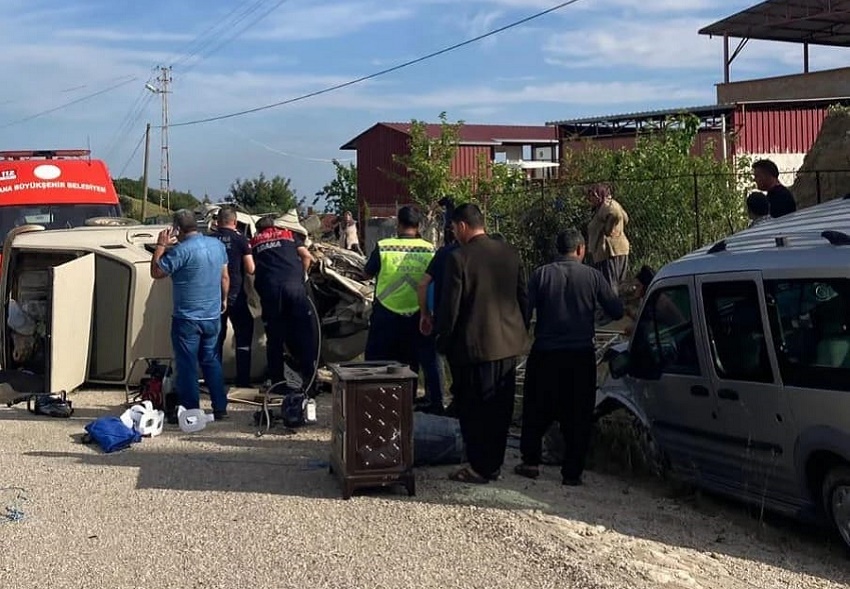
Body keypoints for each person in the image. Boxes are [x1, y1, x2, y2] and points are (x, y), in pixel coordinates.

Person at [515, 229, 624, 486]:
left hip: (545, 353)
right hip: (580, 355)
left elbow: (524, 311)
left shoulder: (541, 274)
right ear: (580, 250)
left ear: (558, 249)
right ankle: (572, 472)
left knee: (535, 408)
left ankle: (530, 461)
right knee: (578, 413)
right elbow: (616, 310)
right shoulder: (593, 276)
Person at [436, 203, 528, 485]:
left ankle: (478, 466)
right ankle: (494, 464)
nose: (453, 233)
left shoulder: (459, 259)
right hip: (508, 345)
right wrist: (519, 330)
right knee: (500, 409)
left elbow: (450, 308)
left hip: (474, 347)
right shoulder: (510, 254)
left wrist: (443, 340)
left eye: (453, 228)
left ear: (462, 226)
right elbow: (524, 298)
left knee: (473, 410)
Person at [150, 210, 229, 421]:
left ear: (177, 229)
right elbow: (225, 277)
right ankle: (220, 407)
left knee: (187, 365)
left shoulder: (180, 252)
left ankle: (191, 410)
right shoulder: (217, 246)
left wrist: (160, 246)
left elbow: (157, 273)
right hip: (212, 316)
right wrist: (223, 300)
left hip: (187, 317)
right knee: (211, 360)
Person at [250, 216, 318, 391]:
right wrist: (301, 277)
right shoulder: (289, 235)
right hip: (295, 289)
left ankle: (278, 383)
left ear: (259, 230)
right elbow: (306, 256)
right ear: (274, 226)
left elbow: (252, 269)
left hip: (272, 291)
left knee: (274, 339)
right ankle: (310, 381)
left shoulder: (256, 241)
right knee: (304, 335)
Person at [364, 206, 434, 374]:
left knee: (376, 363)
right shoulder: (429, 249)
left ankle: (378, 397)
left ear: (399, 224)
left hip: (385, 311)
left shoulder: (384, 247)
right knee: (410, 363)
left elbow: (367, 273)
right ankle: (407, 399)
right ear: (418, 225)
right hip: (417, 313)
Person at [416, 228, 459, 415]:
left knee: (436, 357)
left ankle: (438, 400)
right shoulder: (481, 253)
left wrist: (426, 313)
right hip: (471, 320)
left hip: (443, 316)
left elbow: (425, 284)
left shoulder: (443, 254)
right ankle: (457, 402)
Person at [212, 206, 255, 387]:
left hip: (213, 296)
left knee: (216, 339)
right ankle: (243, 380)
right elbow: (250, 268)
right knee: (244, 335)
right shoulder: (241, 239)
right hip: (236, 295)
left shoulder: (209, 239)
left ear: (217, 222)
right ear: (235, 222)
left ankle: (214, 379)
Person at [586, 183, 630, 296]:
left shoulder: (607, 205)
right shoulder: (610, 205)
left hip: (609, 252)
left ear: (599, 195)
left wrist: (608, 229)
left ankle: (612, 310)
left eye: (592, 195)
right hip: (618, 249)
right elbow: (625, 218)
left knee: (610, 285)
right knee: (617, 284)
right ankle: (618, 307)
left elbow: (616, 215)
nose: (589, 198)